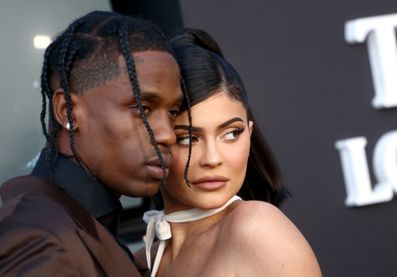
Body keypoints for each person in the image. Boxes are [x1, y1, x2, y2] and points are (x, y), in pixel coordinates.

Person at [0, 11, 185, 276]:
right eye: (143, 109)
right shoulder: (37, 239)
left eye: (173, 112)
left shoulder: (73, 222)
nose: (168, 134)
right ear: (68, 111)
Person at [138, 29, 322, 277]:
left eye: (231, 133)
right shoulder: (140, 261)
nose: (212, 159)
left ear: (249, 132)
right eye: (188, 138)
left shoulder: (256, 229)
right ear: (154, 141)